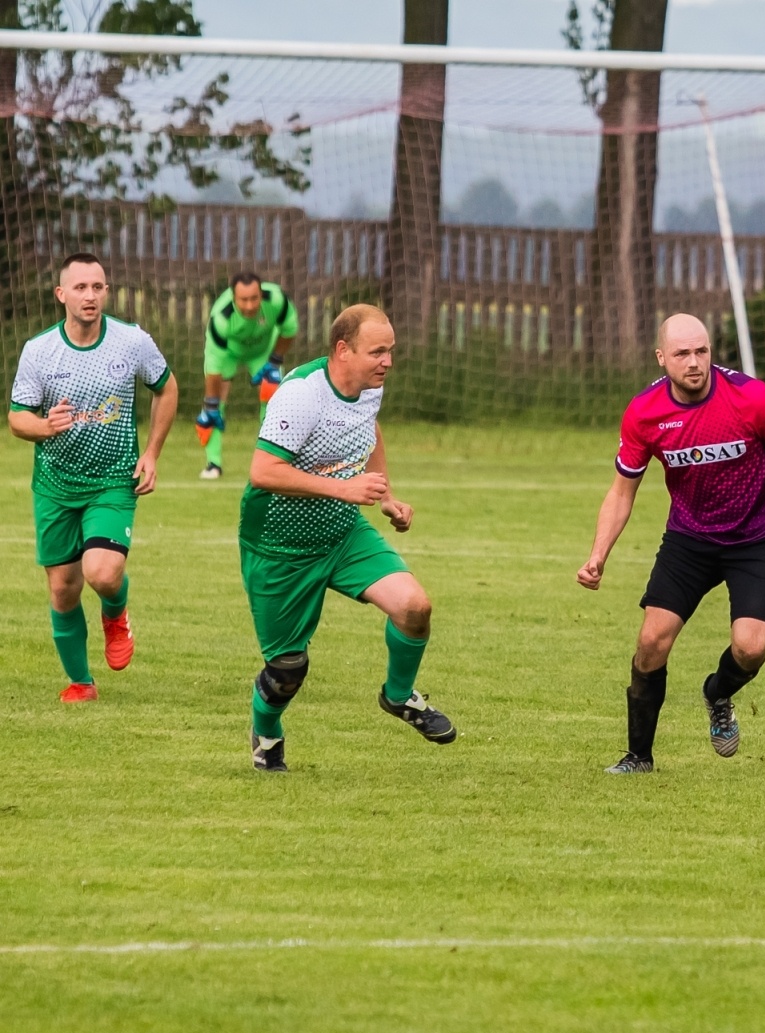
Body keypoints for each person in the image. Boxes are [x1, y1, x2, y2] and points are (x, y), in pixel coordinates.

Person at [577, 313, 765, 774]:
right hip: (690, 539)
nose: (694, 363)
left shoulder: (749, 398)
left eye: (702, 351)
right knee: (651, 641)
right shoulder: (645, 412)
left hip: (758, 537)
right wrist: (598, 555)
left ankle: (718, 693)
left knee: (751, 648)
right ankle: (639, 758)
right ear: (661, 358)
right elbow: (621, 491)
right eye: (682, 354)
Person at [239, 303, 454, 772]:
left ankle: (399, 697)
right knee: (287, 671)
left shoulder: (367, 386)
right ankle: (267, 731)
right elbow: (262, 471)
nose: (388, 362)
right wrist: (345, 488)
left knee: (415, 608)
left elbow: (367, 428)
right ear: (343, 350)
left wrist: (385, 495)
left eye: (391, 351)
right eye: (378, 351)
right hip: (280, 544)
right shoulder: (300, 395)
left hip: (341, 531)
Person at [8, 252, 178, 701]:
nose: (90, 295)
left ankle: (115, 614)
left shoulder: (131, 341)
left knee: (102, 573)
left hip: (112, 481)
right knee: (63, 589)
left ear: (106, 292)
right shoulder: (39, 351)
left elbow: (166, 387)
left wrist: (153, 453)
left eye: (97, 287)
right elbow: (17, 418)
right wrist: (46, 426)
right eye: (80, 287)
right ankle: (82, 683)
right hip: (56, 485)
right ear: (61, 294)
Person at [196, 271, 299, 479]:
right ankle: (213, 464)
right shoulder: (222, 318)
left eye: (254, 298)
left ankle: (271, 460)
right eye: (243, 300)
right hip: (228, 355)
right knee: (214, 407)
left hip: (263, 354)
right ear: (233, 298)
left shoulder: (277, 300)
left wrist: (275, 362)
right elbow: (214, 366)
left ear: (261, 294)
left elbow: (289, 330)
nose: (250, 306)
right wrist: (211, 402)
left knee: (274, 401)